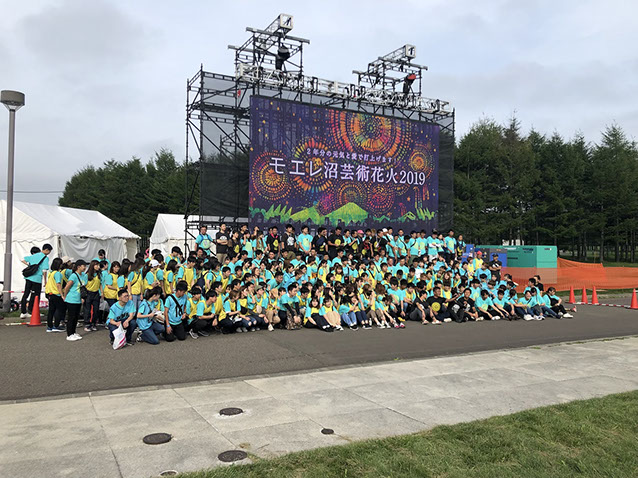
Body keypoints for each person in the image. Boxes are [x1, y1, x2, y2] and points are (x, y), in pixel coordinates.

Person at [20, 243, 53, 319]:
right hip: (37, 279)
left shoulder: (34, 255)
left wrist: (29, 265)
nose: (49, 253)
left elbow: (22, 259)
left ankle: (23, 312)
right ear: (46, 250)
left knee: (26, 294)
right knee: (36, 296)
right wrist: (45, 281)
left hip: (28, 277)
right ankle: (33, 311)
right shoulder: (45, 258)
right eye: (49, 251)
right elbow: (44, 270)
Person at [62, 259, 87, 341]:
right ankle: (69, 334)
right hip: (71, 299)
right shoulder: (73, 276)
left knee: (76, 317)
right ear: (78, 267)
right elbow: (67, 287)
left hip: (78, 299)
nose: (85, 268)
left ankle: (73, 332)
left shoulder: (83, 275)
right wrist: (65, 296)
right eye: (83, 266)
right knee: (71, 317)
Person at [44, 257, 65, 332]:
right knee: (58, 310)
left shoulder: (51, 273)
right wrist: (62, 294)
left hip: (50, 293)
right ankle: (56, 325)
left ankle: (50, 326)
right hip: (56, 293)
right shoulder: (57, 274)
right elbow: (58, 284)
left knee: (51, 311)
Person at [83, 260, 102, 332]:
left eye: (98, 265)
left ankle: (94, 323)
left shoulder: (99, 274)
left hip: (96, 293)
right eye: (96, 265)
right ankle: (87, 324)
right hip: (88, 293)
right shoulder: (87, 275)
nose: (98, 267)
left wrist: (101, 292)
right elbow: (83, 285)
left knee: (96, 309)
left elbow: (100, 284)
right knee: (87, 309)